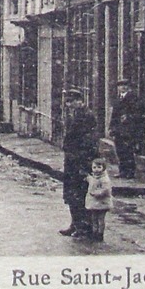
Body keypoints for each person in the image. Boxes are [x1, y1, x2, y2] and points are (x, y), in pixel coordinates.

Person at [60, 91, 98, 236]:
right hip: (72, 159)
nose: (69, 105)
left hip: (81, 160)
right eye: (68, 102)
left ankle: (84, 227)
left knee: (80, 194)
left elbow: (89, 140)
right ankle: (75, 224)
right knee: (71, 194)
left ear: (80, 101)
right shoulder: (73, 115)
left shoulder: (86, 116)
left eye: (72, 101)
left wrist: (84, 161)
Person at [109, 78, 145, 179]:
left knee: (128, 150)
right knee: (120, 151)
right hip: (118, 129)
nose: (123, 87)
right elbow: (114, 115)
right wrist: (111, 127)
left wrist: (129, 116)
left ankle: (130, 172)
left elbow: (139, 111)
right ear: (118, 88)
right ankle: (122, 171)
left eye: (125, 85)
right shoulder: (118, 98)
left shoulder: (133, 98)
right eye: (120, 85)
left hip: (129, 128)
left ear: (128, 87)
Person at [84, 156, 114, 243]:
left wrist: (97, 194)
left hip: (102, 202)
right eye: (94, 167)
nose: (96, 169)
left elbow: (106, 189)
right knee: (94, 218)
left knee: (101, 219)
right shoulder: (94, 177)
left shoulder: (104, 179)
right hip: (94, 202)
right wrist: (87, 178)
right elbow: (91, 180)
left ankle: (100, 234)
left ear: (103, 168)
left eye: (99, 167)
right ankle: (94, 232)